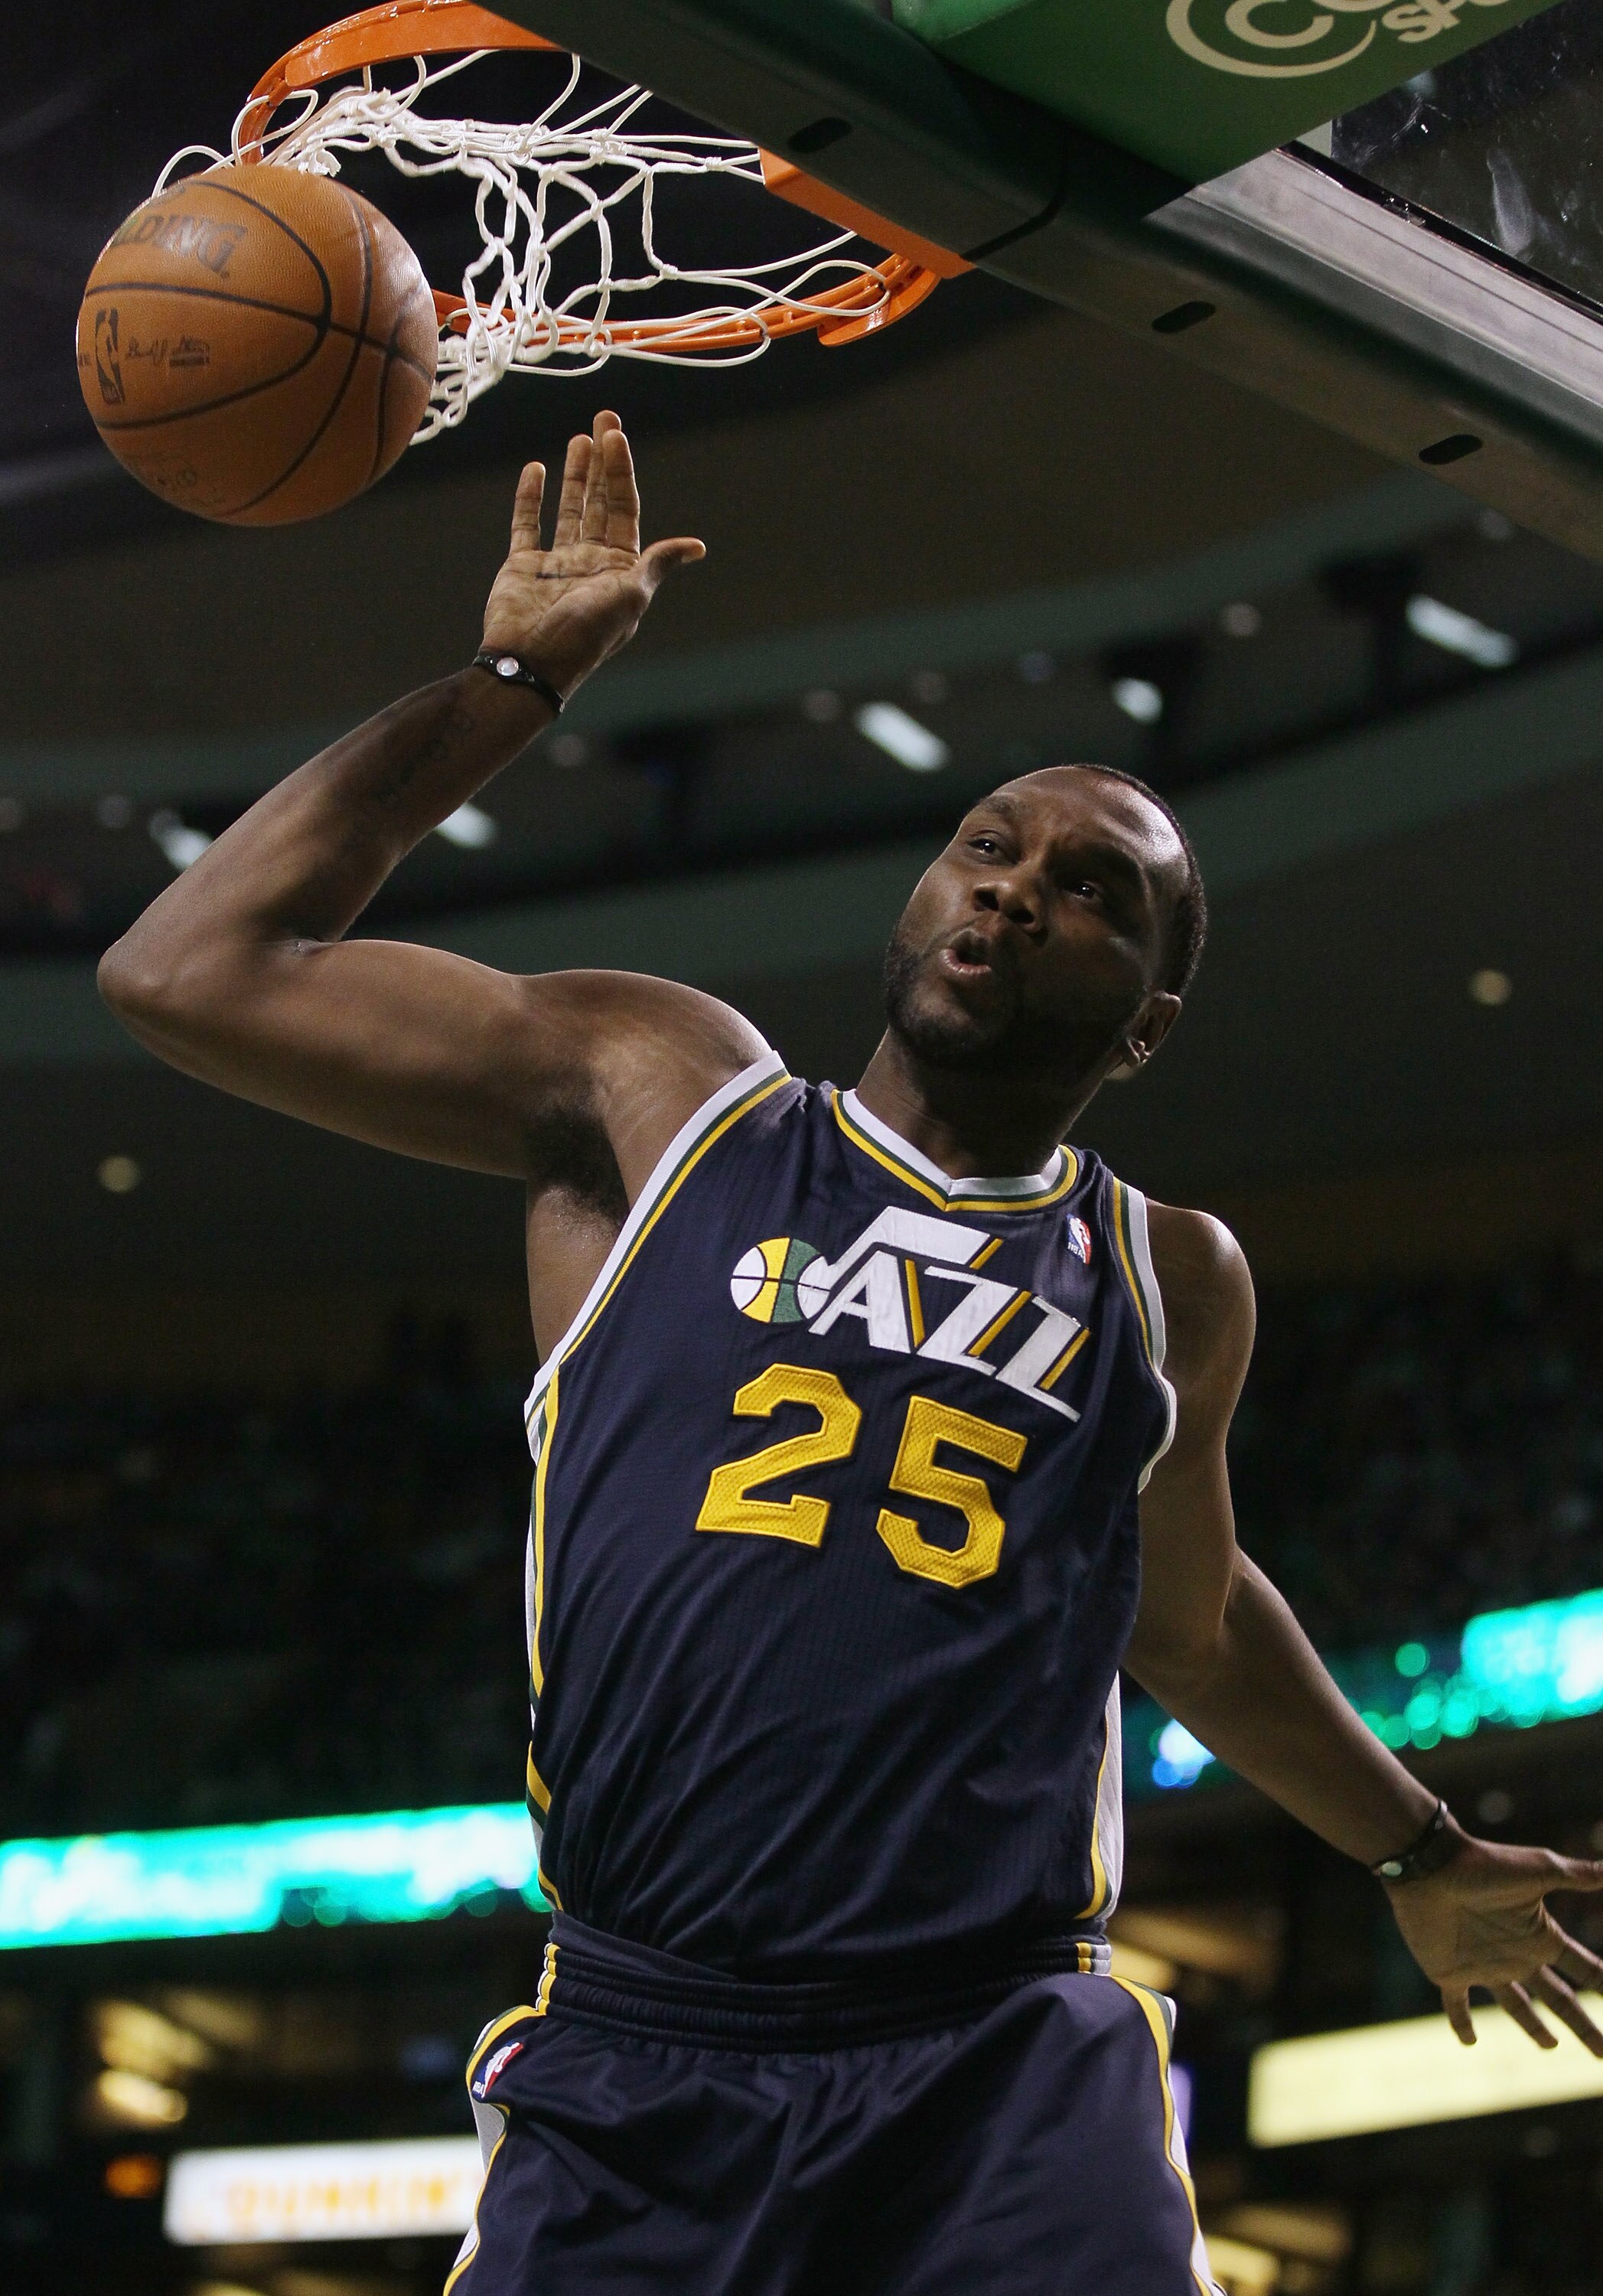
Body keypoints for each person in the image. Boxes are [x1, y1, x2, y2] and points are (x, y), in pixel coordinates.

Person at [100, 413, 1603, 2296]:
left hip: (992, 2062)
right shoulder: (668, 1097)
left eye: (1088, 889)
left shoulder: (1163, 1277)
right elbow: (185, 974)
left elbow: (1190, 1621)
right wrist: (510, 685)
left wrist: (1416, 1853)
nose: (1015, 888)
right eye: (989, 845)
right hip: (643, 2049)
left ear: (1143, 1022)